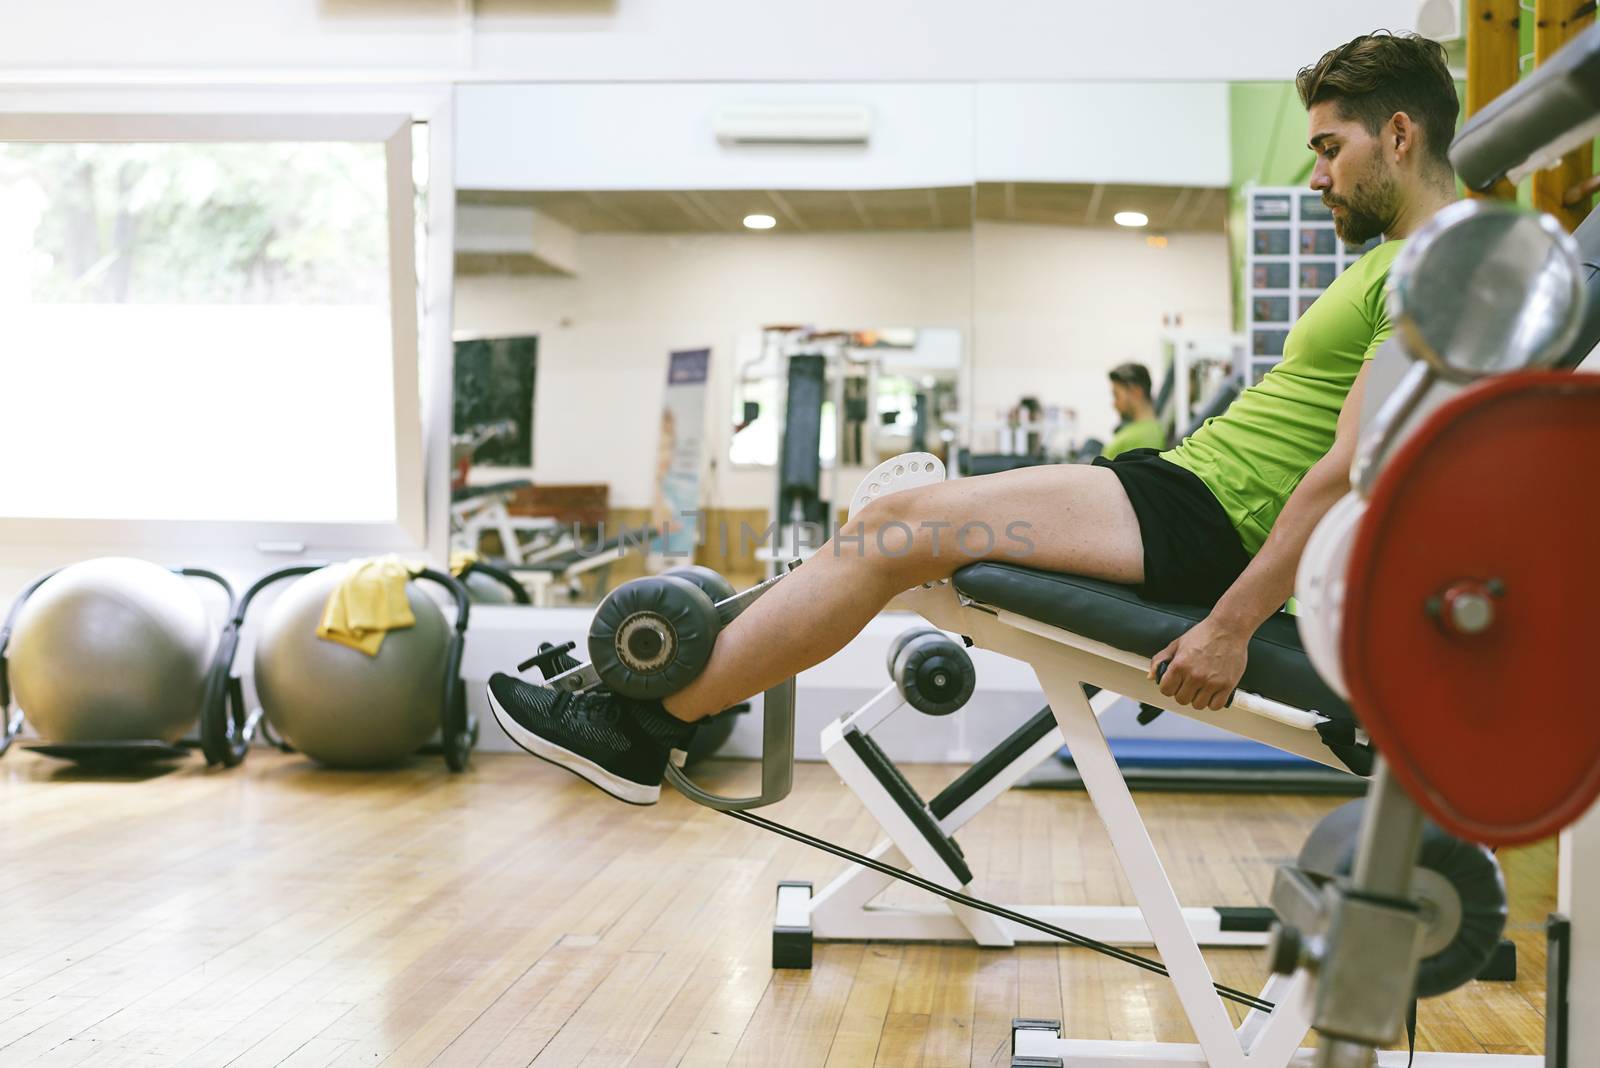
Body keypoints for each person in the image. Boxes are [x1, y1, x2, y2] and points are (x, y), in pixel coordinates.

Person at [488, 31, 1463, 805]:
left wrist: (1228, 625)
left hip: (1208, 519)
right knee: (895, 527)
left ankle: (641, 731)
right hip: (1187, 492)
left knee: (897, 530)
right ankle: (641, 717)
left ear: (1402, 134)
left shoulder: (1445, 263)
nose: (1317, 176)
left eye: (1331, 148)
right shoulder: (1406, 260)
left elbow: (1347, 467)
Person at [1101, 363, 1167, 458]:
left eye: (1116, 395)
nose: (1114, 404)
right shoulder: (1136, 430)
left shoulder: (1147, 436)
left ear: (1136, 392)